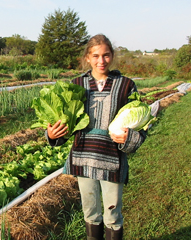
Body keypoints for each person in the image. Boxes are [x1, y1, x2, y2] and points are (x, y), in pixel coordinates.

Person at [45, 34, 147, 240]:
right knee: (90, 213)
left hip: (113, 159)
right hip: (83, 158)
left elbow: (142, 124)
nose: (101, 61)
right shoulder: (75, 84)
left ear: (112, 56)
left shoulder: (126, 85)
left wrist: (131, 138)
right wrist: (52, 135)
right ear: (88, 58)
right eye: (96, 56)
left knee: (113, 215)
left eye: (106, 55)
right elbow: (64, 122)